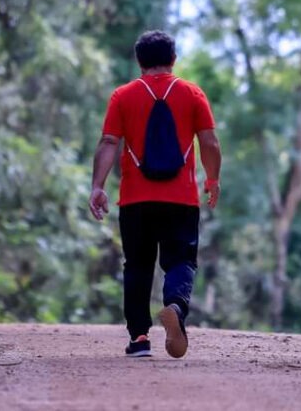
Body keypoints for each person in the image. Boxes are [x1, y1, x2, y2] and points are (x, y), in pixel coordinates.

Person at [89, 30, 222, 359]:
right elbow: (209, 142)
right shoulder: (192, 94)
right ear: (173, 60)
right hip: (181, 199)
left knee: (137, 265)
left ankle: (138, 338)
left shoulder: (122, 95)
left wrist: (98, 186)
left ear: (139, 61)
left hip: (136, 199)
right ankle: (175, 305)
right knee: (181, 260)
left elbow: (109, 142)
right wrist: (213, 180)